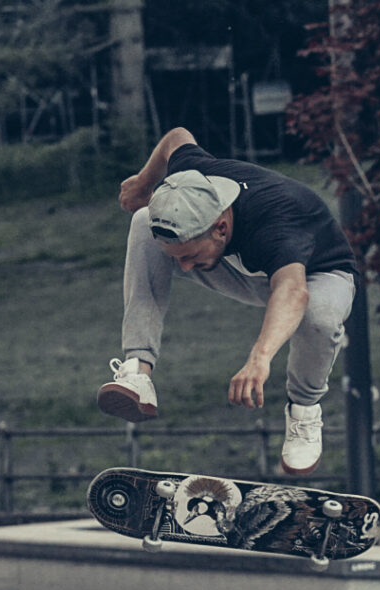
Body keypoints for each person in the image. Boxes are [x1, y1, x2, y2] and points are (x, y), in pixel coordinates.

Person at [97, 126, 359, 476]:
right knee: (144, 221)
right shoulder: (192, 177)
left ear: (220, 227)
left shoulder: (277, 221)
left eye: (189, 256)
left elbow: (293, 291)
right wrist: (145, 184)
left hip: (318, 275)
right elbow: (177, 137)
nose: (183, 267)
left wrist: (260, 358)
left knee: (318, 317)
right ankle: (138, 371)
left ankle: (304, 411)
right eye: (178, 258)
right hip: (245, 269)